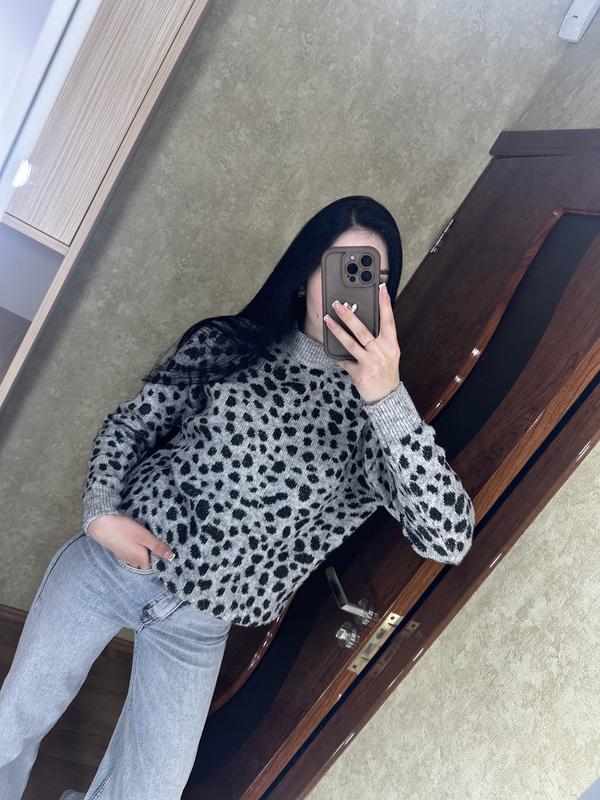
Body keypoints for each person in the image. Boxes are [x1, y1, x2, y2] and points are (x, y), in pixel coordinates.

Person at [0, 195, 475, 799]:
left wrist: (388, 399)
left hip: (199, 625)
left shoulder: (375, 421)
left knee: (148, 792)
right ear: (305, 275)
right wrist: (100, 516)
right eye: (342, 267)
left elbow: (450, 539)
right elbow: (130, 427)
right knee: (12, 723)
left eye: (371, 276)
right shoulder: (230, 344)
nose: (352, 290)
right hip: (112, 567)